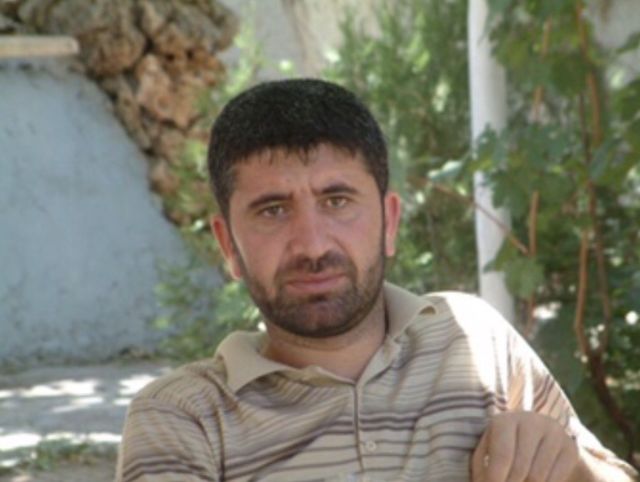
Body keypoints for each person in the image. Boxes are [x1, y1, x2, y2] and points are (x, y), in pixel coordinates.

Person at [116, 79, 637, 482]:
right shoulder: (183, 419)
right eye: (273, 210)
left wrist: (569, 465)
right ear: (228, 244)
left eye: (337, 201)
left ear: (389, 221)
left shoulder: (479, 341)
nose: (312, 245)